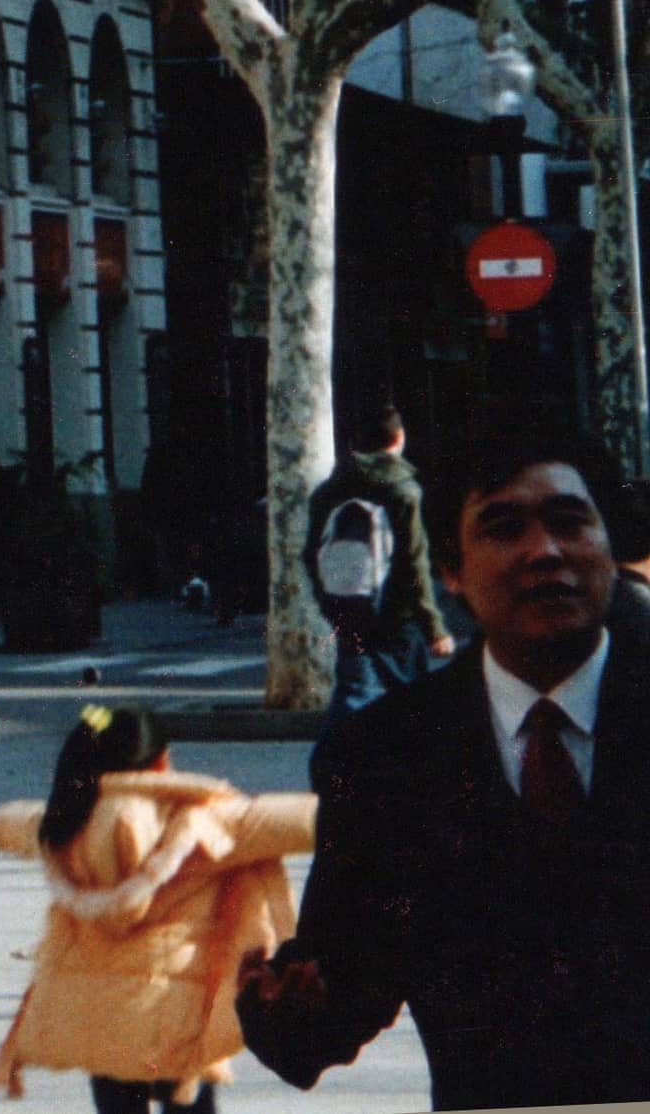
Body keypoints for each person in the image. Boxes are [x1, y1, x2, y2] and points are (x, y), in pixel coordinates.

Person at [235, 425, 650, 1108]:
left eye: (570, 522)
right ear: (452, 571)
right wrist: (285, 1011)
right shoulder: (386, 758)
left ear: (612, 547)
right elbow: (347, 983)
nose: (544, 551)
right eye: (504, 528)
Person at [0, 703, 314, 1109]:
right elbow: (299, 820)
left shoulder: (68, 820)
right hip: (172, 1017)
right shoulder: (208, 820)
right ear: (162, 760)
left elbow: (15, 823)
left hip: (101, 1018)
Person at [301, 406, 448, 718]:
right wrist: (433, 627)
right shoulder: (403, 490)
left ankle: (337, 761)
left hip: (349, 606)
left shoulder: (329, 491)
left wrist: (328, 602)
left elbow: (310, 552)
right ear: (398, 438)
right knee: (413, 702)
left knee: (353, 692)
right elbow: (413, 562)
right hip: (396, 614)